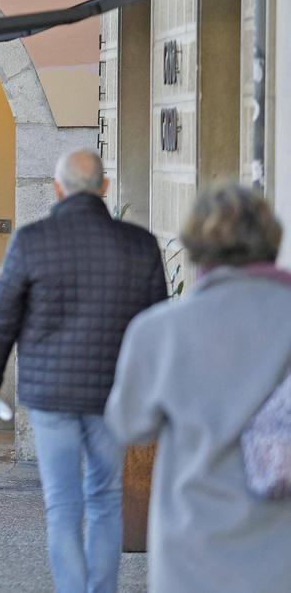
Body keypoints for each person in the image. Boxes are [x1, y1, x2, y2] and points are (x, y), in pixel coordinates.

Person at [0, 149, 167, 593]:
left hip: (51, 396)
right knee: (104, 500)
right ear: (104, 187)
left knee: (61, 504)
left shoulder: (31, 241)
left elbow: (2, 317)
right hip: (112, 396)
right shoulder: (140, 245)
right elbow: (158, 328)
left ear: (57, 188)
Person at [105, 185, 291, 593]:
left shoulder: (159, 330)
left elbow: (128, 424)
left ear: (195, 246)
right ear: (271, 240)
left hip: (192, 550)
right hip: (281, 549)